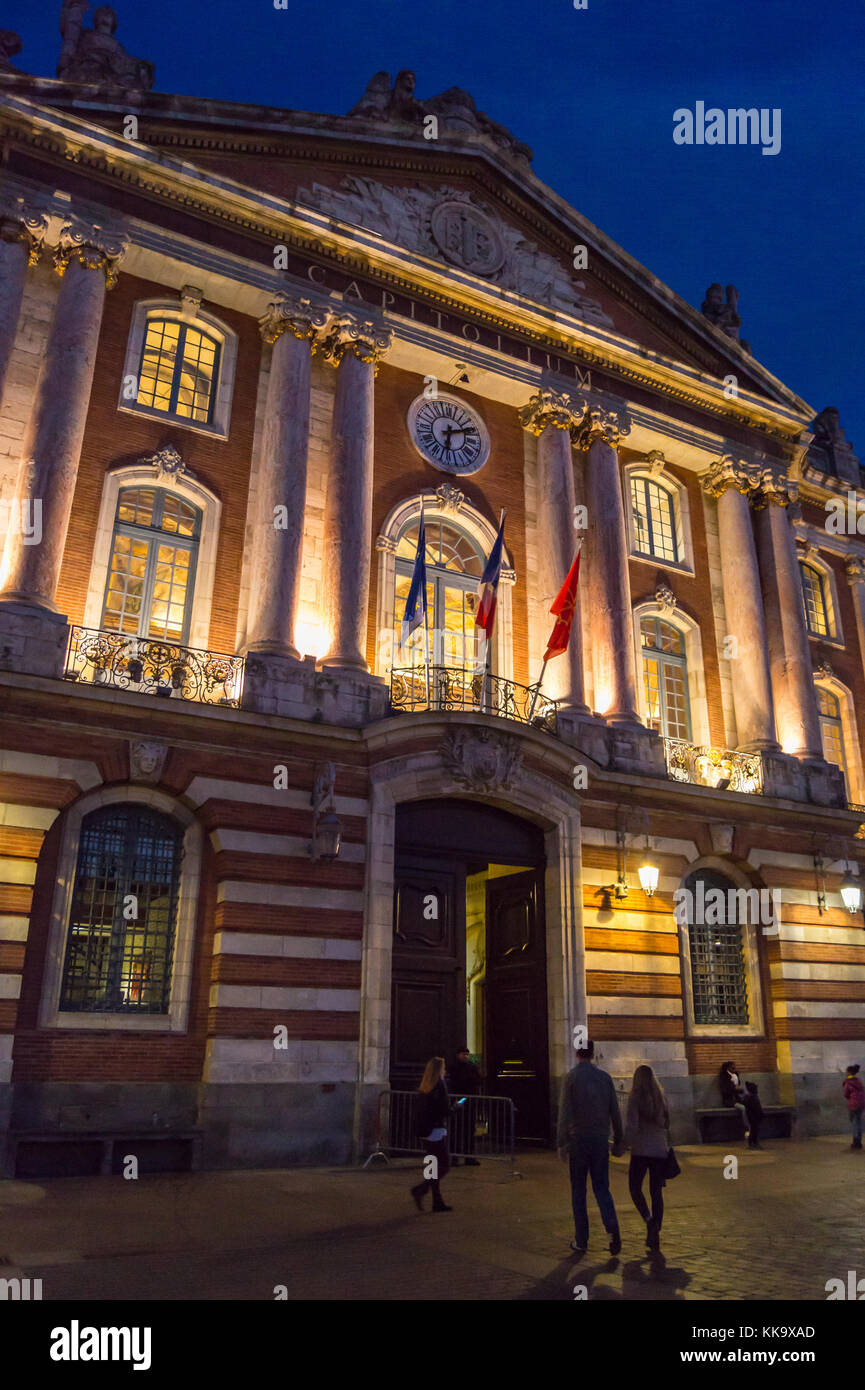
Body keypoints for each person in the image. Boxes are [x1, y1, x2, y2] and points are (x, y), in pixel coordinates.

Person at [557, 1039, 623, 1256]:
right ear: (593, 1054)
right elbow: (615, 1111)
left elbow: (564, 1113)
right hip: (600, 1140)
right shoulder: (604, 1078)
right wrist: (619, 1140)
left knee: (578, 1191)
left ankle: (582, 1239)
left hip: (578, 1142)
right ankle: (613, 1231)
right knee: (602, 1187)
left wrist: (561, 1142)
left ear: (577, 1053)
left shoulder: (571, 1078)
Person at [625, 1065, 670, 1252]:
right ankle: (655, 1231)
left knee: (635, 1188)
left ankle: (648, 1219)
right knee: (656, 1192)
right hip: (660, 1149)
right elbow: (668, 1123)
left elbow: (632, 1126)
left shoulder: (634, 1097)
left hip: (641, 1150)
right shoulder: (662, 1097)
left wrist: (622, 1145)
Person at [410, 1057, 452, 1213]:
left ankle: (437, 1201)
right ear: (439, 1069)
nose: (445, 1070)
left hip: (425, 1131)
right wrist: (455, 1109)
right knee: (445, 1164)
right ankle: (421, 1189)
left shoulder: (425, 1085)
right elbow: (444, 1110)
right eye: (443, 1067)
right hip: (435, 1130)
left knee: (434, 1165)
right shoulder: (440, 1085)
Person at [449, 1047, 482, 1166]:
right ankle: (454, 1156)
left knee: (469, 1130)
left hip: (470, 1102)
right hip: (459, 1101)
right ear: (458, 1055)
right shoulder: (453, 1068)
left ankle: (469, 1156)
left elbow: (478, 1080)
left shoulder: (472, 1068)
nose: (466, 1056)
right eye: (463, 1054)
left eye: (467, 1054)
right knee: (456, 1130)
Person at [843, 1064, 865, 1150]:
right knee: (858, 1122)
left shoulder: (848, 1082)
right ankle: (859, 1141)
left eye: (846, 1071)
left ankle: (856, 1142)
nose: (845, 1072)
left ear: (849, 1072)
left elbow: (846, 1094)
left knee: (854, 1122)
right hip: (861, 1104)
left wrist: (850, 1099)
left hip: (853, 1104)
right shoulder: (858, 1081)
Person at [743, 1081, 764, 1149]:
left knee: (753, 1130)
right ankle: (754, 1143)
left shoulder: (747, 1097)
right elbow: (757, 1108)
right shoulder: (753, 1097)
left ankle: (752, 1143)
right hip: (755, 1117)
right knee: (755, 1131)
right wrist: (761, 1114)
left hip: (751, 1117)